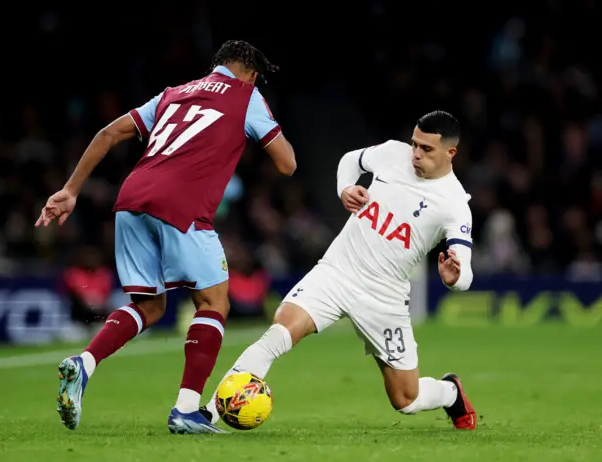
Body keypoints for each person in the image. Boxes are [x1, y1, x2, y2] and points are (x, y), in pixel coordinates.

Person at [36, 40, 296, 434]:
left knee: (150, 306)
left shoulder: (174, 93)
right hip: (182, 203)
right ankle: (187, 410)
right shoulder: (248, 96)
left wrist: (70, 190)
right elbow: (287, 164)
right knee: (213, 302)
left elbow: (108, 134)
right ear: (251, 72)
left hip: (132, 198)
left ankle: (84, 364)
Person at [203, 110, 477, 430]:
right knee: (280, 330)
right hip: (336, 272)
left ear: (450, 152)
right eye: (414, 144)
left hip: (384, 296)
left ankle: (450, 392)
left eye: (426, 149)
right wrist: (344, 188)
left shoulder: (454, 203)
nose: (415, 153)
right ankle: (210, 412)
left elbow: (465, 266)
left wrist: (456, 278)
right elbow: (351, 160)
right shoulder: (392, 153)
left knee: (406, 399)